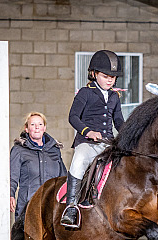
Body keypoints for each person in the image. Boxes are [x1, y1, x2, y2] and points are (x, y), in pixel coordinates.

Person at [10, 111, 73, 240]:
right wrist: (10, 193)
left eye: (39, 125)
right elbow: (11, 175)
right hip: (29, 206)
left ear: (44, 127)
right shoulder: (19, 151)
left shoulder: (54, 150)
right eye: (32, 125)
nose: (36, 128)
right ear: (27, 128)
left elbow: (64, 177)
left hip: (52, 208)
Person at [60, 50, 124, 229]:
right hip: (88, 143)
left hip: (108, 143)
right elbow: (73, 117)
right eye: (105, 76)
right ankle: (71, 207)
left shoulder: (114, 96)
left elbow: (118, 121)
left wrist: (129, 134)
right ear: (94, 74)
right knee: (79, 161)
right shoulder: (85, 93)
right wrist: (88, 132)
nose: (110, 80)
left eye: (113, 77)